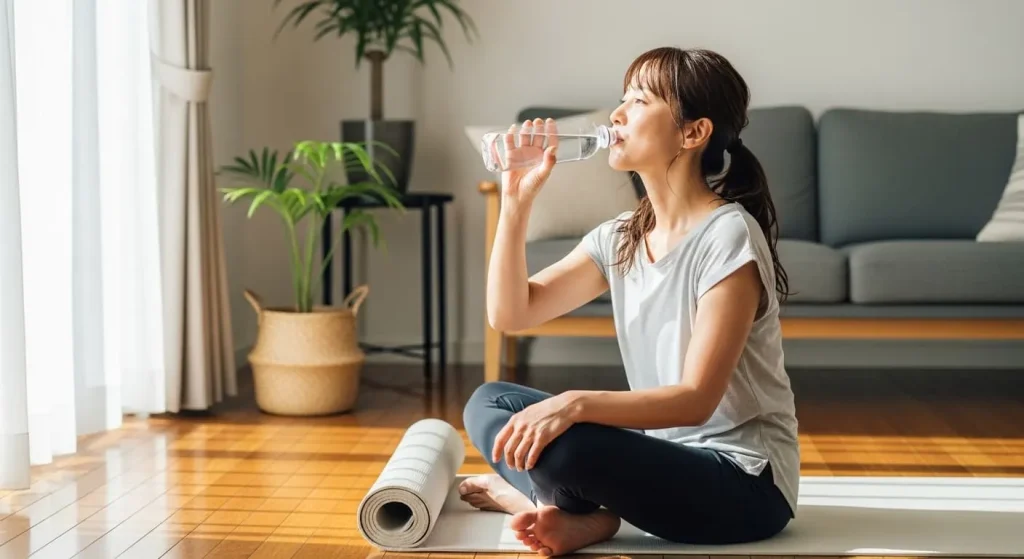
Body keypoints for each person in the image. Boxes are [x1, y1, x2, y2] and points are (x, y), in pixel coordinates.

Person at [459, 46, 801, 557]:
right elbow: (510, 313)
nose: (616, 114)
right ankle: (584, 516)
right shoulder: (620, 236)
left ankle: (556, 504)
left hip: (743, 486)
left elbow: (696, 399)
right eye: (622, 99)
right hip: (664, 460)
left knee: (566, 444)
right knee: (490, 404)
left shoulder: (728, 235)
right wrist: (515, 203)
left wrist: (572, 404)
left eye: (639, 101)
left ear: (692, 133)